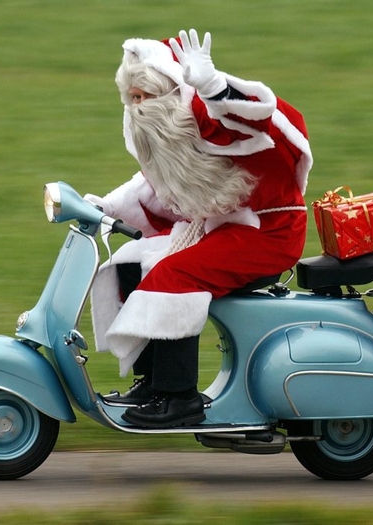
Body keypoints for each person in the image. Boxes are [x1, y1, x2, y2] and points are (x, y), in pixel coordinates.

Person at [86, 28, 312, 429]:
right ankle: (153, 382)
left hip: (268, 231)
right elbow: (154, 187)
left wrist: (215, 87)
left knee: (175, 275)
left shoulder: (208, 116)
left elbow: (270, 119)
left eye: (144, 98)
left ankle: (179, 398)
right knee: (129, 262)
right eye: (132, 99)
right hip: (220, 228)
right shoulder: (175, 136)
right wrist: (104, 207)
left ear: (169, 93)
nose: (136, 108)